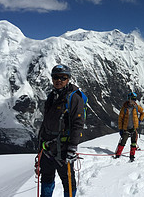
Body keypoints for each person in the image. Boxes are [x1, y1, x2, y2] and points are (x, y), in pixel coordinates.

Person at [36, 64, 85, 197]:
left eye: (62, 78)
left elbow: (78, 124)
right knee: (46, 178)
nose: (58, 80)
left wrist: (72, 148)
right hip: (47, 148)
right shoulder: (52, 96)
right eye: (55, 77)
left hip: (63, 149)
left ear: (68, 79)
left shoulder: (74, 98)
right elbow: (46, 121)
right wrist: (40, 142)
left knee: (68, 182)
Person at [115, 92, 144, 161]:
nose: (133, 101)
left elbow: (143, 112)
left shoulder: (136, 107)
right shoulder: (124, 108)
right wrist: (120, 129)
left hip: (133, 128)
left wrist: (139, 120)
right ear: (128, 99)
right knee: (123, 142)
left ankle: (132, 156)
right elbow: (120, 119)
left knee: (133, 143)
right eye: (132, 99)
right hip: (126, 128)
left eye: (134, 99)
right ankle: (118, 154)